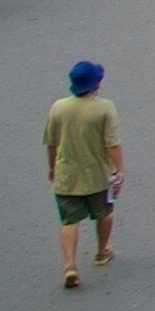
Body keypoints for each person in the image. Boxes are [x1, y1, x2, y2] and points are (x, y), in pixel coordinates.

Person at [45, 58, 123, 289]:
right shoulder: (104, 108)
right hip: (97, 175)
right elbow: (112, 144)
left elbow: (51, 143)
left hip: (67, 175)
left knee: (69, 220)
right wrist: (119, 170)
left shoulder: (58, 107)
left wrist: (52, 167)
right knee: (104, 213)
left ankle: (69, 265)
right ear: (95, 85)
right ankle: (101, 252)